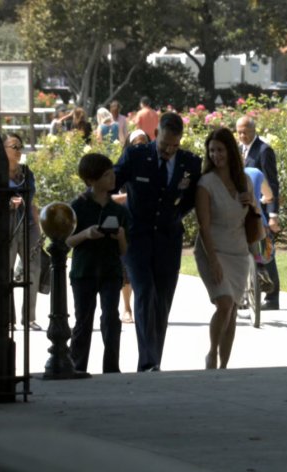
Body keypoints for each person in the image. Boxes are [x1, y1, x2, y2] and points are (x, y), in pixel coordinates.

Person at [114, 112, 202, 372]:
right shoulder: (136, 156)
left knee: (162, 300)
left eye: (174, 145)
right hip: (137, 238)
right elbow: (111, 181)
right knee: (144, 293)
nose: (168, 151)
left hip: (168, 239)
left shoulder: (189, 163)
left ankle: (154, 360)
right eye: (164, 145)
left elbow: (192, 197)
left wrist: (175, 215)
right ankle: (147, 361)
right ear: (156, 135)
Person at [194, 127, 258, 369]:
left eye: (220, 150)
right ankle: (212, 354)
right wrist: (213, 261)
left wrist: (252, 203)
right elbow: (204, 226)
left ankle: (224, 366)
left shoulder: (244, 181)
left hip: (238, 252)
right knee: (224, 304)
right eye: (212, 151)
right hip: (213, 250)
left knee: (232, 309)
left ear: (230, 151)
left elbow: (253, 216)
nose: (216, 155)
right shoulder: (206, 183)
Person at [66, 153, 129, 374]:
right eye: (106, 175)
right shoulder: (78, 207)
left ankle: (111, 367)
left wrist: (120, 236)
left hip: (111, 271)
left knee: (111, 318)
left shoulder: (118, 210)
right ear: (91, 180)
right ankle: (77, 366)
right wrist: (86, 234)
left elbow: (124, 250)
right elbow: (66, 241)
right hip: (84, 272)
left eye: (112, 173)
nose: (112, 178)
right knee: (83, 320)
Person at [236, 116, 281, 310]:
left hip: (260, 212)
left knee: (266, 254)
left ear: (254, 131)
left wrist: (273, 215)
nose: (242, 136)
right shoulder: (238, 149)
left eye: (245, 132)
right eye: (239, 132)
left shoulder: (264, 150)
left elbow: (272, 184)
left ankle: (272, 298)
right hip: (240, 214)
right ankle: (245, 295)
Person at [4, 133, 42, 331]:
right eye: (14, 147)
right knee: (7, 271)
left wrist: (39, 229)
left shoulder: (27, 173)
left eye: (20, 147)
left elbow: (32, 200)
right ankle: (8, 318)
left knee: (33, 270)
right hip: (8, 227)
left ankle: (29, 317)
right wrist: (7, 202)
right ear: (3, 150)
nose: (19, 151)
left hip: (28, 225)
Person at [114, 129, 151, 324]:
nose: (140, 146)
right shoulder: (123, 167)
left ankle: (142, 307)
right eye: (136, 142)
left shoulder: (154, 166)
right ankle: (127, 308)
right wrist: (130, 197)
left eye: (144, 142)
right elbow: (109, 195)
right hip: (126, 224)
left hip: (147, 225)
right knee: (125, 269)